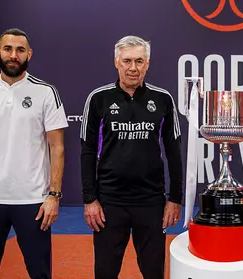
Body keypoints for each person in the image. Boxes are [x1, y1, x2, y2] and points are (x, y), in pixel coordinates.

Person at [0, 28, 68, 279]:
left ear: (29, 54)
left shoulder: (45, 91)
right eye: (8, 49)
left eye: (20, 50)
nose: (13, 55)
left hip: (32, 200)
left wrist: (54, 195)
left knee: (39, 272)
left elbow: (57, 147)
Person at [80, 35, 183, 279]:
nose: (133, 68)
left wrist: (175, 198)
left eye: (139, 61)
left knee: (153, 272)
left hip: (151, 202)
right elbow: (87, 152)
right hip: (109, 203)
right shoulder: (98, 99)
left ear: (148, 63)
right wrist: (90, 199)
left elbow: (174, 152)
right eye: (127, 61)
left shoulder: (163, 99)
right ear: (116, 62)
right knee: (105, 273)